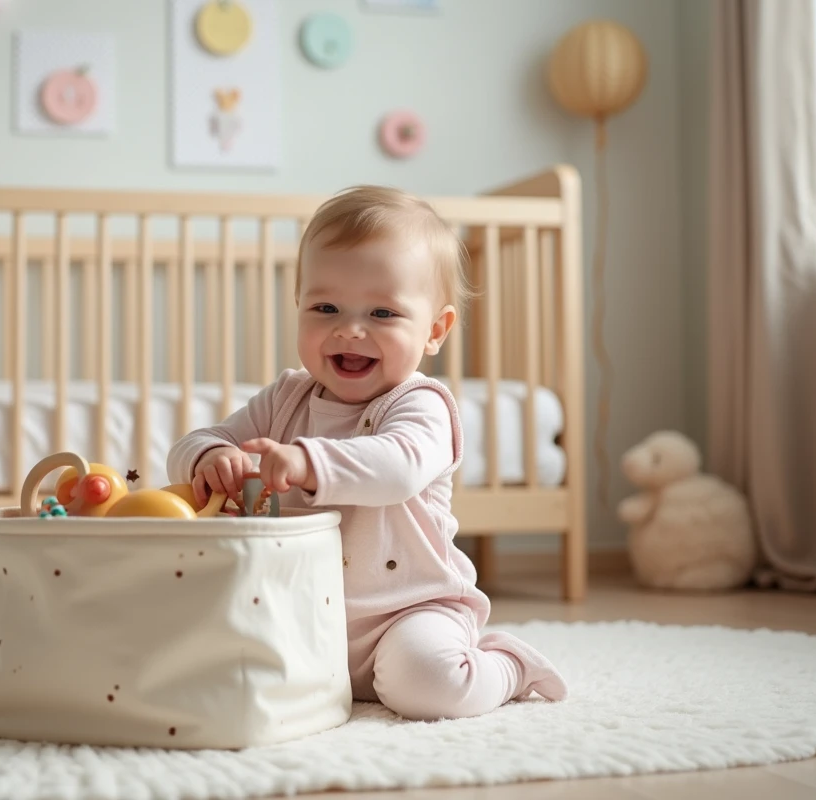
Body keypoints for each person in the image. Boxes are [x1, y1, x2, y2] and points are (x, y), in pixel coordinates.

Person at [166, 185, 567, 720]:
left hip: (407, 610)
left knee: (428, 685)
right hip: (299, 610)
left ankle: (506, 666)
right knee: (203, 658)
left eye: (382, 312)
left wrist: (309, 463)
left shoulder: (422, 405)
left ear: (435, 330)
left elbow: (396, 468)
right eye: (325, 306)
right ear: (299, 306)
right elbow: (193, 442)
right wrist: (209, 457)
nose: (349, 329)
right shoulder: (286, 398)